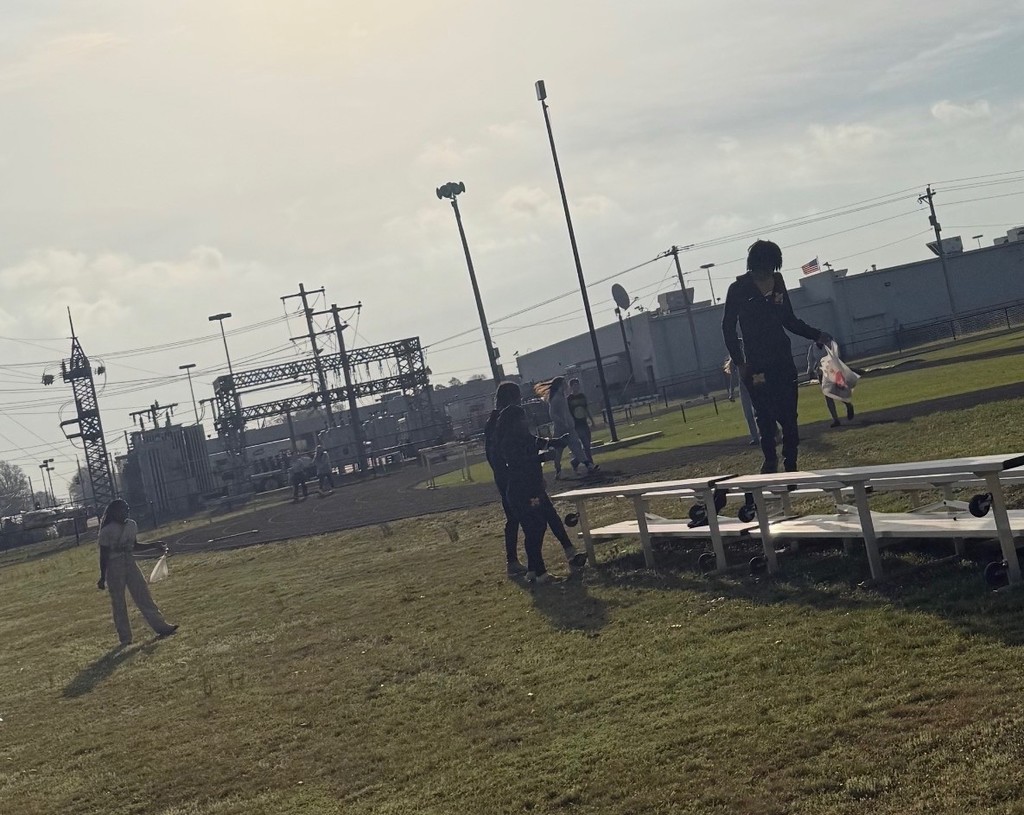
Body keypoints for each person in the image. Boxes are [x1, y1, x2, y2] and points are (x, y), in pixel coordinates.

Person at [722, 239, 832, 473]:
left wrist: (816, 334)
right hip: (756, 365)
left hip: (782, 360)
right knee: (764, 414)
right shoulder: (739, 289)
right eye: (766, 268)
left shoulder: (778, 283)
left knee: (789, 415)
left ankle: (790, 461)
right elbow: (728, 328)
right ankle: (770, 459)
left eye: (773, 268)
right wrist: (739, 362)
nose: (769, 273)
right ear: (755, 265)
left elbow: (788, 319)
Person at [485, 383, 588, 577]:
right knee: (533, 524)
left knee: (542, 518)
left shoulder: (508, 425)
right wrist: (539, 459)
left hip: (523, 482)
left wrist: (553, 445)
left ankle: (554, 559)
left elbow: (531, 442)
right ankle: (533, 568)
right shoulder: (503, 424)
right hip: (517, 483)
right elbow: (511, 456)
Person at [96, 499, 178, 646]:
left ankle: (161, 626)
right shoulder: (107, 531)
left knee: (143, 595)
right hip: (114, 566)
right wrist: (102, 577)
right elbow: (104, 556)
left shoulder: (131, 525)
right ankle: (125, 637)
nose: (126, 511)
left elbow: (134, 546)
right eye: (122, 509)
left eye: (127, 508)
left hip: (129, 562)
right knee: (119, 602)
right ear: (114, 512)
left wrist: (153, 545)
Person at [536, 377, 596, 478]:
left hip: (570, 428)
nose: (566, 385)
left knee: (577, 446)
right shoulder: (556, 398)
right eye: (564, 383)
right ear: (560, 385)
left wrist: (570, 423)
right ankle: (558, 470)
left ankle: (588, 464)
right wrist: (562, 423)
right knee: (558, 451)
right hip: (560, 430)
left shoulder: (562, 397)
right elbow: (553, 414)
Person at [807, 340, 855, 428]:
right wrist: (810, 370)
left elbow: (837, 356)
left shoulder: (828, 344)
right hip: (822, 373)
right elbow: (810, 359)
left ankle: (848, 405)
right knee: (828, 396)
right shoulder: (812, 348)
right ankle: (835, 419)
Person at [566, 378, 596, 466]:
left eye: (577, 384)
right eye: (574, 385)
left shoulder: (582, 396)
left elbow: (586, 409)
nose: (576, 387)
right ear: (571, 387)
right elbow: (568, 413)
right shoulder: (569, 399)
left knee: (587, 446)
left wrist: (592, 421)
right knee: (585, 445)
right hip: (576, 425)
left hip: (584, 423)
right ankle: (590, 464)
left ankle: (576, 461)